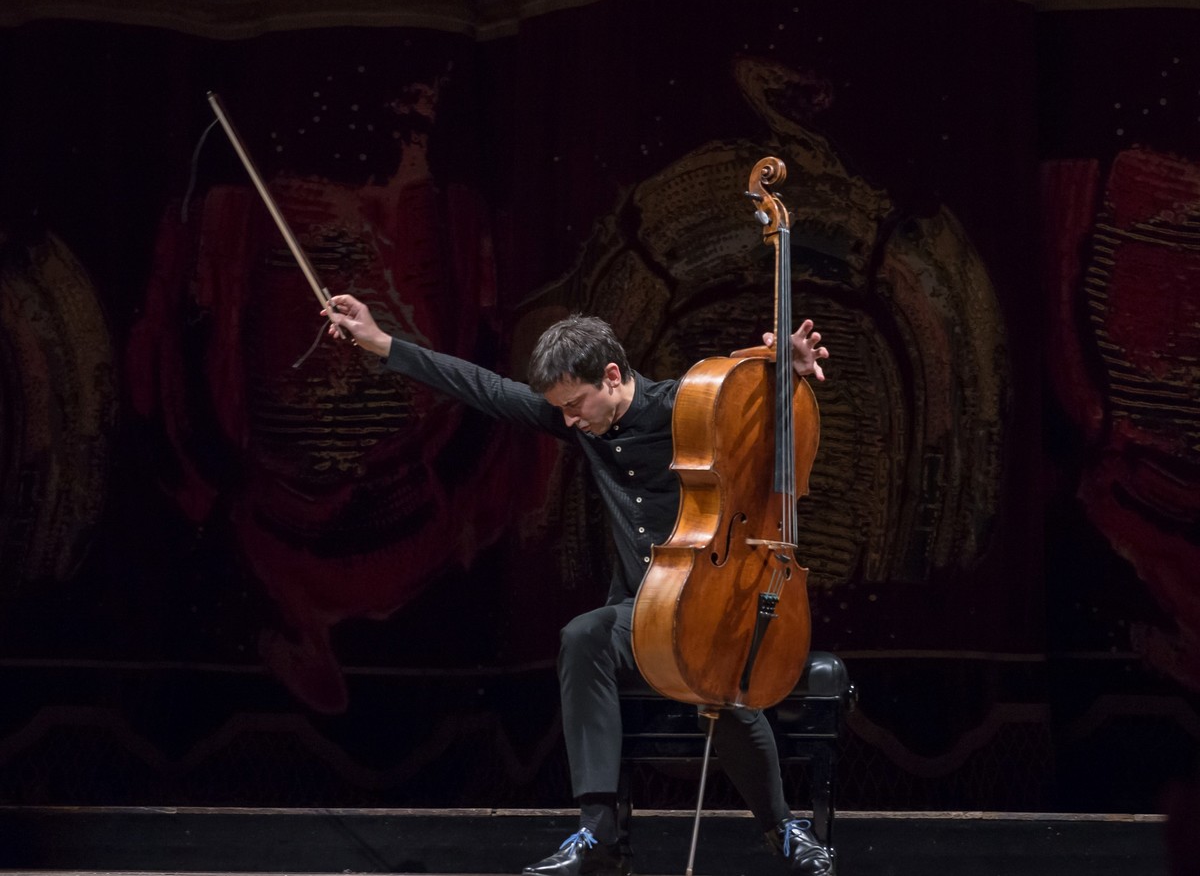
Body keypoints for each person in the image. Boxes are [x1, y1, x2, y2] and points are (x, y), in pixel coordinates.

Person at [324, 294, 834, 876]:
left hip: (718, 603)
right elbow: (486, 389)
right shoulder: (582, 419)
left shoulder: (688, 409)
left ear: (611, 376)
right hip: (642, 611)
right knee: (582, 635)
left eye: (575, 405)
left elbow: (754, 415)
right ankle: (598, 832)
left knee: (724, 685)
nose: (568, 421)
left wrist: (780, 374)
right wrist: (382, 343)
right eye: (560, 410)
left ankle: (780, 827)